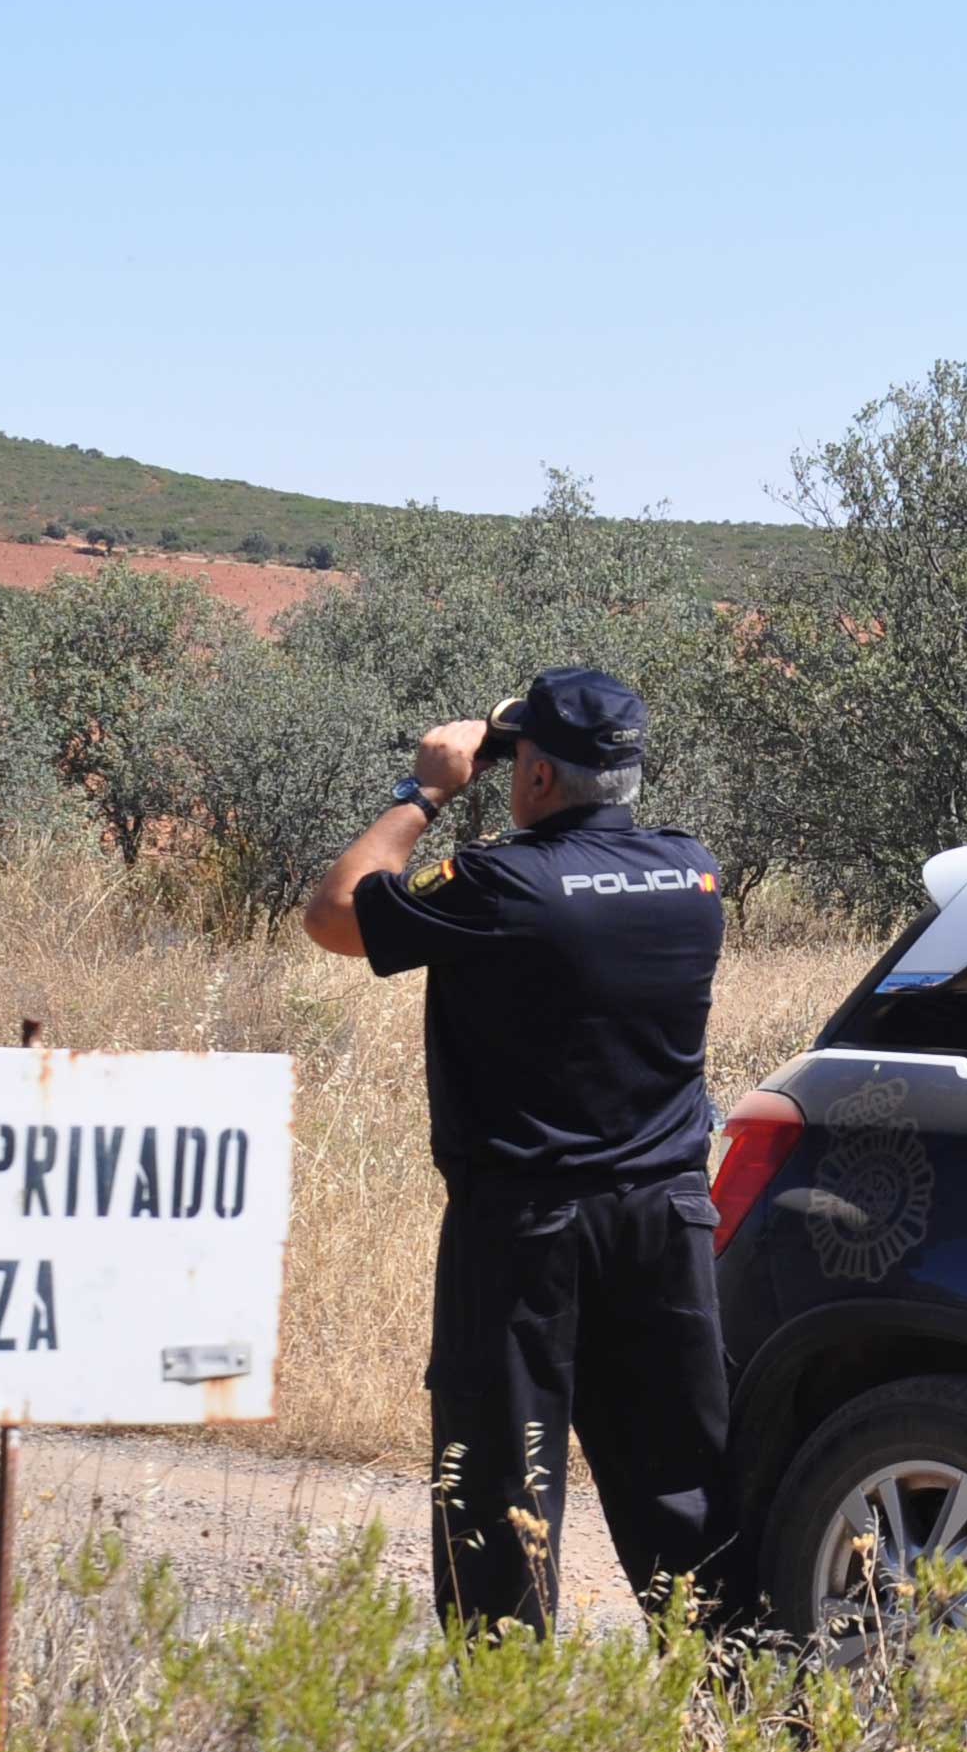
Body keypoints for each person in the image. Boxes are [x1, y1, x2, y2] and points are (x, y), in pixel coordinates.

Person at [301, 667, 738, 1634]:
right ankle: (744, 1706)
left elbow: (333, 913)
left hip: (526, 1232)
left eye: (514, 760)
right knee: (683, 1485)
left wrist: (424, 791)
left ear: (534, 776)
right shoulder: (694, 876)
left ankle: (508, 1721)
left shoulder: (502, 884)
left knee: (499, 1485)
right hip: (666, 1223)